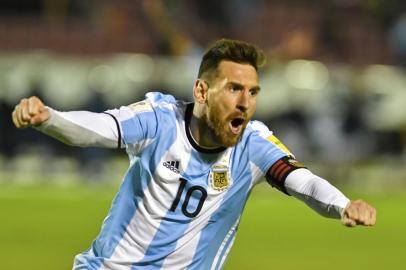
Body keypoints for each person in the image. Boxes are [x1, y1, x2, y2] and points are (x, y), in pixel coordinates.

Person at [12, 39, 376, 270]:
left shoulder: (253, 143)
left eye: (253, 91)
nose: (245, 102)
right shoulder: (159, 120)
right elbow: (99, 129)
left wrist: (343, 204)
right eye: (234, 89)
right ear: (201, 90)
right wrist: (50, 119)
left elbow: (300, 179)